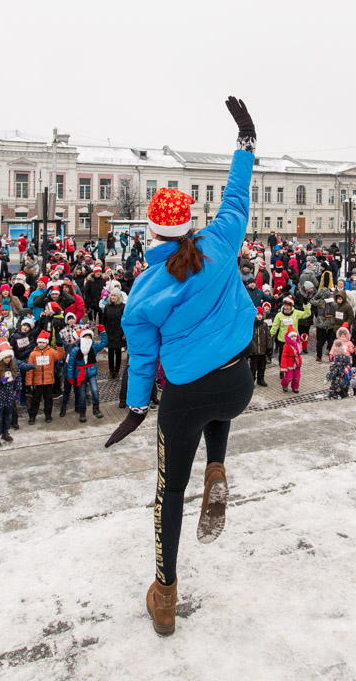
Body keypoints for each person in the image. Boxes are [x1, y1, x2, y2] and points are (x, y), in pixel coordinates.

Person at [105, 96, 257, 636]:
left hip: (186, 396)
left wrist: (136, 410)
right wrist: (245, 142)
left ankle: (165, 596)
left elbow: (143, 360)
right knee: (219, 398)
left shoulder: (145, 291)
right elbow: (236, 194)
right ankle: (217, 465)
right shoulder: (221, 240)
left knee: (169, 492)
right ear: (191, 224)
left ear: (151, 233)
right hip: (238, 384)